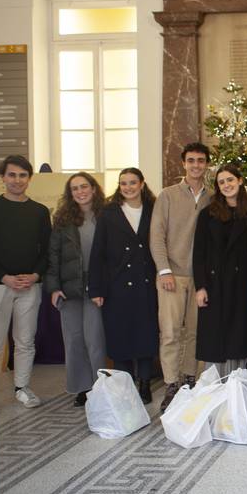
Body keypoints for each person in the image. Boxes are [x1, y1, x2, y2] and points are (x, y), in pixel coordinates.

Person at [0, 155, 51, 415]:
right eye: (12, 175)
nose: (17, 180)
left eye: (22, 175)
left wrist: (36, 275)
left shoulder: (40, 212)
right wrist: (4, 277)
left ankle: (22, 388)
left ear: (29, 179)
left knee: (25, 341)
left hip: (30, 286)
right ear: (3, 178)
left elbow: (46, 251)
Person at [150, 141, 212, 411]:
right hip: (172, 276)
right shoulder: (168, 195)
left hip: (200, 278)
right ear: (183, 163)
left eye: (201, 160)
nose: (196, 165)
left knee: (196, 332)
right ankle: (171, 383)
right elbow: (156, 235)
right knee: (171, 332)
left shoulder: (213, 195)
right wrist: (164, 270)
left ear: (207, 164)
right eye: (191, 160)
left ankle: (189, 379)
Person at [89, 168, 158, 403]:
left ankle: (146, 384)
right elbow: (97, 253)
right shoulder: (108, 213)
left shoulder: (153, 209)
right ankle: (125, 385)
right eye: (123, 183)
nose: (128, 187)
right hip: (117, 284)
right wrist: (96, 289)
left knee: (146, 335)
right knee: (121, 337)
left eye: (132, 182)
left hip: (147, 283)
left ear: (141, 184)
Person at [45, 172, 106, 407]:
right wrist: (54, 288)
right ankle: (82, 387)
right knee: (73, 339)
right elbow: (53, 256)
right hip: (69, 287)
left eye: (84, 186)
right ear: (70, 194)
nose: (80, 192)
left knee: (95, 339)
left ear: (93, 188)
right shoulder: (62, 219)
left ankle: (99, 386)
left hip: (96, 286)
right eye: (74, 189)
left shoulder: (106, 215)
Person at [192, 164, 247, 376]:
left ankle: (239, 383)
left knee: (240, 336)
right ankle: (216, 387)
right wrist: (200, 287)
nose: (226, 185)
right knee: (216, 337)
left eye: (230, 180)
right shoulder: (207, 214)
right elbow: (199, 254)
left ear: (240, 180)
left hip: (243, 284)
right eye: (221, 182)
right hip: (214, 284)